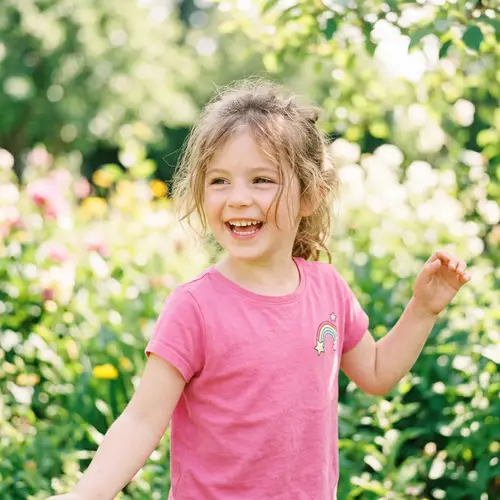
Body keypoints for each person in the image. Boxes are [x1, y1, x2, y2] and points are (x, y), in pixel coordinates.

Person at [49, 79, 471, 500]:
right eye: (219, 181)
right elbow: (142, 421)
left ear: (310, 195)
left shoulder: (327, 289)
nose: (237, 198)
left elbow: (377, 372)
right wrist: (84, 495)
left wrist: (422, 310)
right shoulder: (195, 307)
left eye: (261, 180)